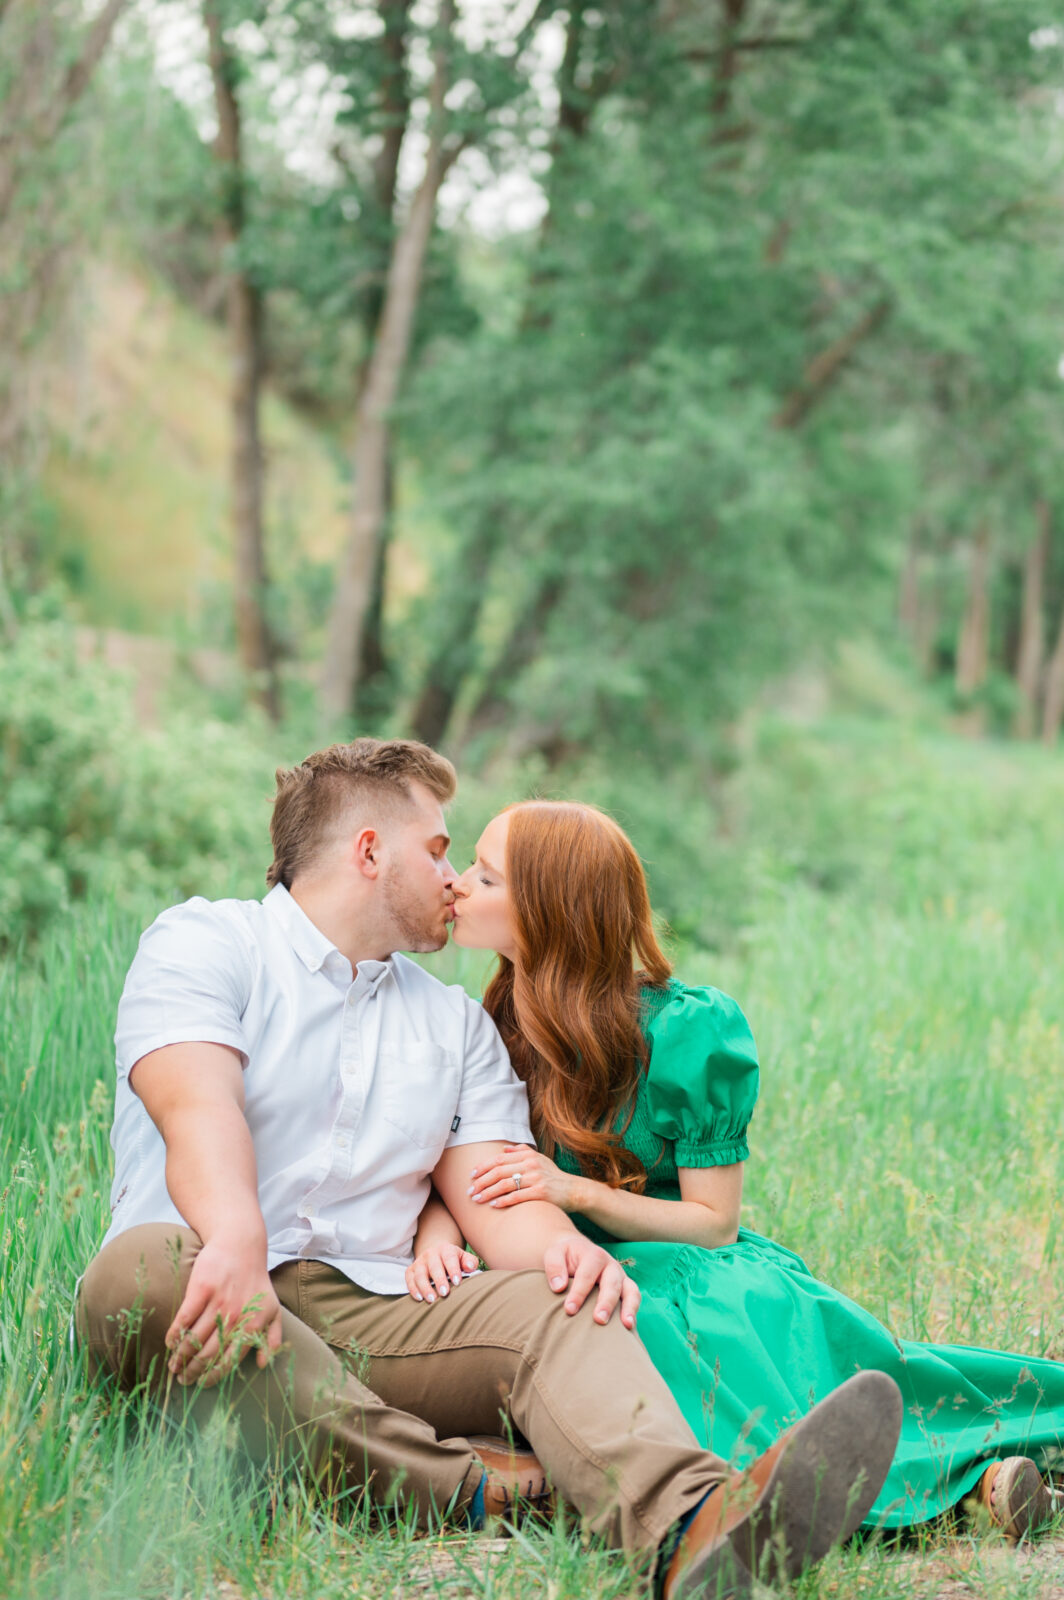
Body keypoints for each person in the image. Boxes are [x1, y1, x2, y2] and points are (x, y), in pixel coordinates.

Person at [76, 739, 903, 1600]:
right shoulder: (208, 940)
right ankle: (484, 1486)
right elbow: (194, 1102)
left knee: (563, 1295)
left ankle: (689, 1528)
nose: (452, 878)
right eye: (438, 851)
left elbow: (493, 1188)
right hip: (205, 1276)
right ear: (368, 852)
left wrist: (558, 1250)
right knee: (137, 1272)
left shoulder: (455, 1024)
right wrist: (236, 1237)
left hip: (379, 1310)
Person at [411, 797, 1064, 1543]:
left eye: (487, 879)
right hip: (560, 1271)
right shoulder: (483, 1022)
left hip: (689, 1268)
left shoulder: (683, 1029)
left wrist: (575, 1191)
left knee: (771, 1376)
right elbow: (453, 1159)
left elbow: (713, 1223)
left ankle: (960, 1483)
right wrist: (438, 1229)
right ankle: (966, 1495)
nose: (458, 884)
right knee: (580, 1345)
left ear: (554, 909)